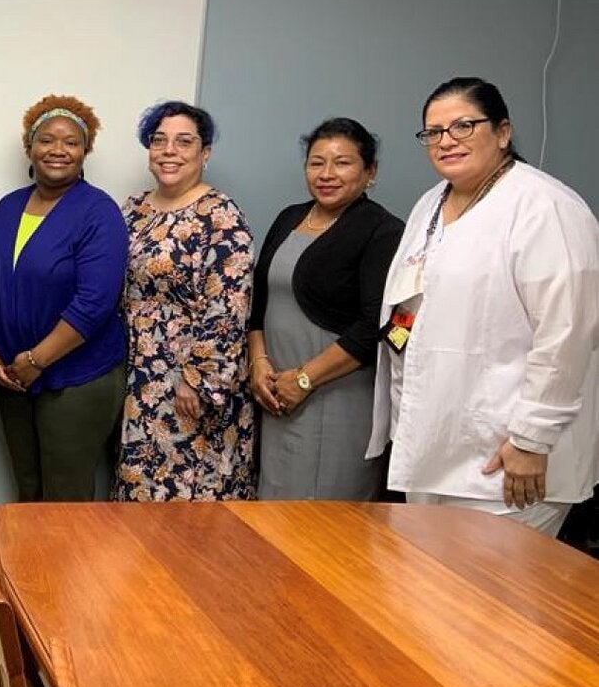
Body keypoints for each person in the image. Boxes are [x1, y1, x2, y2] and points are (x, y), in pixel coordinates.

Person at [366, 77, 599, 536]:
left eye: (463, 126)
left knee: (494, 602)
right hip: (436, 443)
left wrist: (532, 439)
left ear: (503, 132)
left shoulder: (544, 207)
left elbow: (567, 333)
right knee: (429, 596)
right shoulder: (430, 204)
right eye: (433, 132)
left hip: (510, 460)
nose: (446, 141)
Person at [0, 95, 128, 503]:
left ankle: (67, 571)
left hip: (77, 378)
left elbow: (94, 304)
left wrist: (36, 360)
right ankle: (29, 571)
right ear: (29, 147)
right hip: (11, 377)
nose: (58, 150)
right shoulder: (8, 208)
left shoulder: (99, 212)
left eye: (71, 142)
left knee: (65, 498)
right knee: (27, 491)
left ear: (85, 151)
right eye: (46, 140)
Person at [247, 118, 402, 499]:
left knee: (324, 525)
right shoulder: (289, 217)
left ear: (370, 172)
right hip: (276, 395)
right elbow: (258, 300)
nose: (327, 174)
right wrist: (259, 363)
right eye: (317, 162)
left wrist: (304, 380)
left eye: (342, 163)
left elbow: (374, 326)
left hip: (334, 398)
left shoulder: (381, 230)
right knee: (276, 512)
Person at [115, 101, 255, 502]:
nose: (169, 151)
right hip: (138, 374)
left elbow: (227, 307)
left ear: (205, 152)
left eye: (184, 141)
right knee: (140, 487)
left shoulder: (221, 216)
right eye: (159, 141)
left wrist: (197, 379)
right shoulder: (133, 209)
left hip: (188, 381)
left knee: (187, 499)